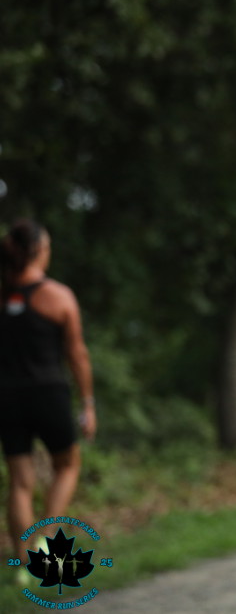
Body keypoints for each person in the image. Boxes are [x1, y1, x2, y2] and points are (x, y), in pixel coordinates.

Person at [1, 219, 96, 566]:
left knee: (20, 482)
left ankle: (22, 565)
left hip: (7, 398)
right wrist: (88, 403)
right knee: (68, 465)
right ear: (40, 250)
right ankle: (43, 538)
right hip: (48, 394)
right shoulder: (57, 295)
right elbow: (77, 354)